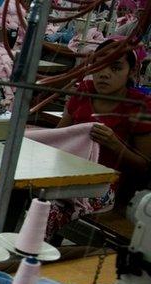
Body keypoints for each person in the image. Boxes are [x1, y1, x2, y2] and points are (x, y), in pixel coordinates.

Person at [49, 39, 151, 237]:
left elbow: (146, 165)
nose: (104, 74)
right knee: (16, 192)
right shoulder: (84, 91)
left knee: (49, 210)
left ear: (131, 72)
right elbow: (58, 136)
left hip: (106, 188)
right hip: (69, 176)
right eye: (100, 65)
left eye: (116, 68)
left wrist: (114, 144)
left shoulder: (141, 107)